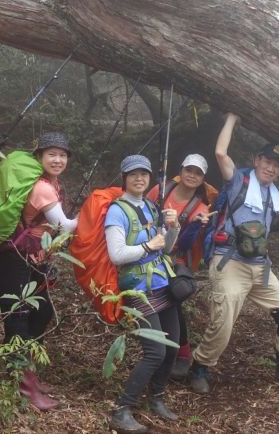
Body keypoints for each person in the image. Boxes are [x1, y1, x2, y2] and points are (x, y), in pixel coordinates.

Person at [189, 112, 279, 395]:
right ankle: (199, 366)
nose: (270, 168)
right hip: (229, 261)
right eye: (267, 162)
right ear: (257, 160)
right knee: (222, 325)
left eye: (276, 166)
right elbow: (221, 152)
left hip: (260, 267)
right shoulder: (238, 182)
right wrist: (233, 119)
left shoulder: (277, 193)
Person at [0, 131, 78, 411]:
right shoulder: (42, 188)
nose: (58, 159)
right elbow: (64, 226)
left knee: (41, 311)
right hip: (13, 257)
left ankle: (26, 374)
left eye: (62, 155)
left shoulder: (51, 184)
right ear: (39, 157)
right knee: (18, 315)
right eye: (51, 154)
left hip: (32, 256)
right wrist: (97, 212)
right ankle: (23, 386)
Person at [106, 155, 181, 433]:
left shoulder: (151, 205)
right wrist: (149, 246)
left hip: (163, 284)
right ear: (124, 177)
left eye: (144, 174)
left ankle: (156, 399)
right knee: (155, 351)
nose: (139, 179)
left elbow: (167, 248)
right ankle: (122, 409)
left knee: (172, 345)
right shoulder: (117, 211)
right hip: (137, 289)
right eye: (133, 174)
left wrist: (173, 226)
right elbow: (116, 255)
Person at [146, 154, 212, 380]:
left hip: (175, 259)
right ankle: (164, 349)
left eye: (198, 173)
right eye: (189, 170)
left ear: (203, 178)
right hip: (148, 250)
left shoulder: (200, 207)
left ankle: (177, 352)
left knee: (173, 300)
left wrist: (193, 226)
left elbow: (185, 244)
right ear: (181, 171)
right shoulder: (161, 190)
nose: (192, 176)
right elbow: (144, 211)